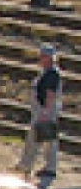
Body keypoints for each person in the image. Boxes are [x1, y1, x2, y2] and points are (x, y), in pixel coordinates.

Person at [23, 45, 63, 182]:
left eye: (42, 56)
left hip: (45, 110)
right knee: (48, 140)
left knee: (36, 138)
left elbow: (50, 94)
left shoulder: (52, 74)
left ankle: (27, 166)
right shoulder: (48, 72)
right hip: (44, 110)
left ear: (48, 58)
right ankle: (48, 168)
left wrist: (45, 111)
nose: (40, 58)